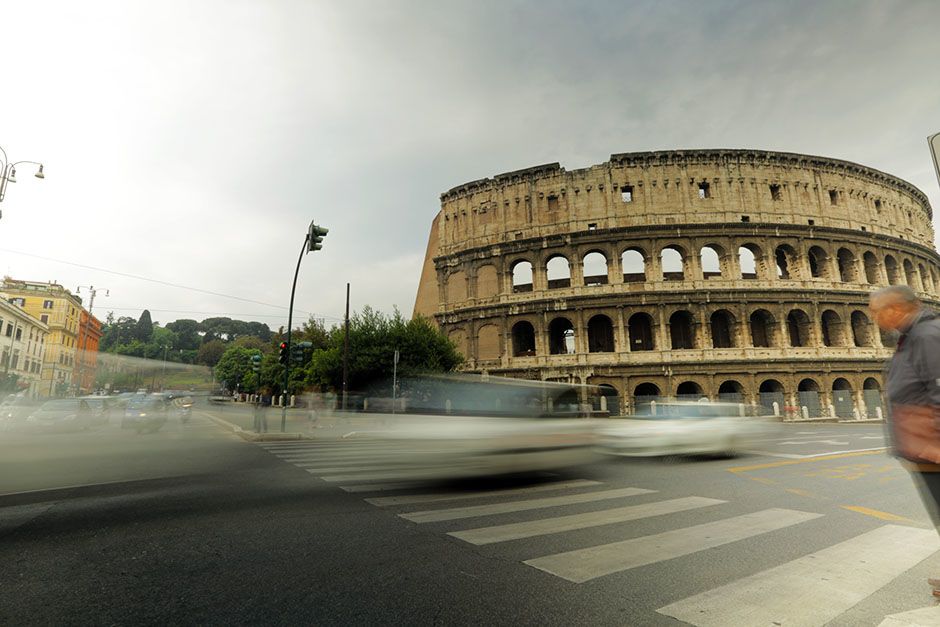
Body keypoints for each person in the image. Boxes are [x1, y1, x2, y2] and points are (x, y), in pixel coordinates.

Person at [869, 285, 940, 596]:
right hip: (923, 448)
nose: (874, 318)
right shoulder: (912, 336)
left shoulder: (927, 335)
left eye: (877, 311)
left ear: (894, 309)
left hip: (933, 447)